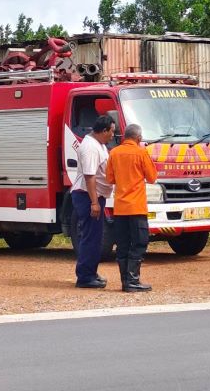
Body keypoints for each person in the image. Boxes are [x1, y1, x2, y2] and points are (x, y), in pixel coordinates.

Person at [106, 124, 158, 292]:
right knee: (139, 243)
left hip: (120, 208)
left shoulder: (114, 153)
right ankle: (133, 281)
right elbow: (152, 178)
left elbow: (110, 179)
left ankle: (125, 281)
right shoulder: (141, 153)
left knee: (122, 245)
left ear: (124, 137)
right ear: (139, 138)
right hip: (136, 207)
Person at [71, 115, 115, 289]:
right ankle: (85, 277)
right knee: (90, 237)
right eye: (111, 131)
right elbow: (90, 177)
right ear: (103, 131)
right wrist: (94, 203)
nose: (113, 135)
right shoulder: (90, 147)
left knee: (96, 237)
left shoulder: (99, 145)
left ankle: (90, 272)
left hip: (94, 196)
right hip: (87, 196)